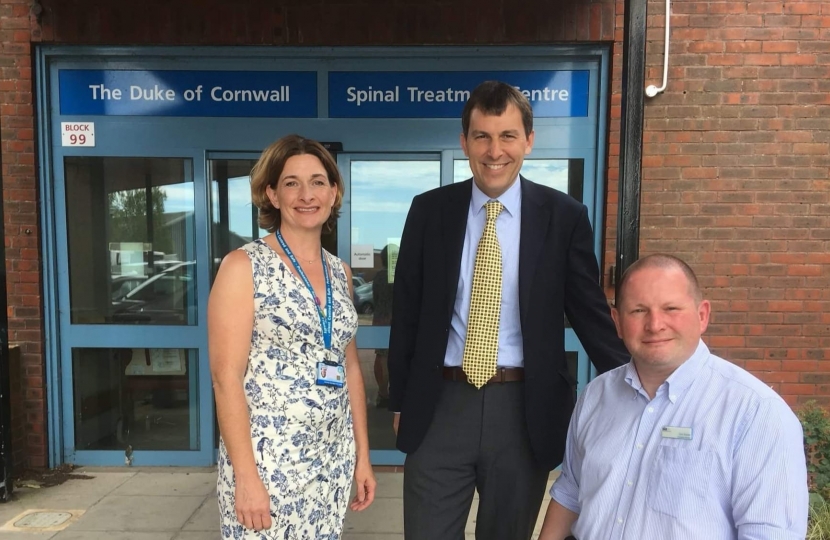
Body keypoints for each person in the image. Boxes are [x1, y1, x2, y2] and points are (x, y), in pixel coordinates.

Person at [387, 80, 630, 540]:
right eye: (482, 136)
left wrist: (642, 385)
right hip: (440, 402)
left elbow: (591, 316)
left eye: (507, 136)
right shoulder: (428, 211)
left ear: (529, 141)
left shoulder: (564, 216)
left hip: (524, 409)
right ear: (464, 142)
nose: (494, 150)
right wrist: (399, 398)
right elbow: (408, 313)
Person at [539, 254, 809, 540]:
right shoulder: (596, 396)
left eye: (671, 308)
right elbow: (570, 493)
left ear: (702, 315)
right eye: (638, 311)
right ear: (617, 322)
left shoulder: (755, 414)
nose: (655, 324)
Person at [209, 134, 376, 539]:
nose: (307, 194)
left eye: (318, 182)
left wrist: (362, 456)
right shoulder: (243, 266)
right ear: (272, 193)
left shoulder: (340, 272)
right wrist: (246, 478)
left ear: (334, 193)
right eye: (291, 182)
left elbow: (349, 366)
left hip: (330, 460)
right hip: (267, 463)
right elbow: (225, 378)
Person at [371, 244, 395, 408]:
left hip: (379, 320)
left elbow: (376, 298)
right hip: (394, 320)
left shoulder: (379, 276)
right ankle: (391, 392)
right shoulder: (396, 276)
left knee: (381, 357)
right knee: (393, 359)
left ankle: (382, 393)